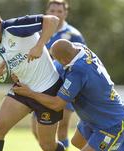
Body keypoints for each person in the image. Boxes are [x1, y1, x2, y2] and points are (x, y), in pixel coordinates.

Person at [0, 8, 66, 151]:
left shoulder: (14, 27)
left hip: (48, 89)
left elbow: (52, 20)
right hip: (22, 90)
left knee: (47, 146)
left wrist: (39, 46)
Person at [13, 39, 124, 151]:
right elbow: (54, 67)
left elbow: (57, 104)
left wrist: (30, 93)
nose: (55, 62)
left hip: (111, 123)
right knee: (77, 142)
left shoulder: (78, 72)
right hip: (92, 119)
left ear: (64, 60)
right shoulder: (78, 48)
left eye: (57, 60)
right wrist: (23, 75)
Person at [31, 1, 86, 150]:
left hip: (65, 86)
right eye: (52, 10)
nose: (55, 14)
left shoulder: (74, 35)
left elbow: (83, 61)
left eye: (59, 11)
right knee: (36, 131)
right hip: (42, 86)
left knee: (62, 128)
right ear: (47, 12)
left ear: (65, 13)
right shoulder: (39, 32)